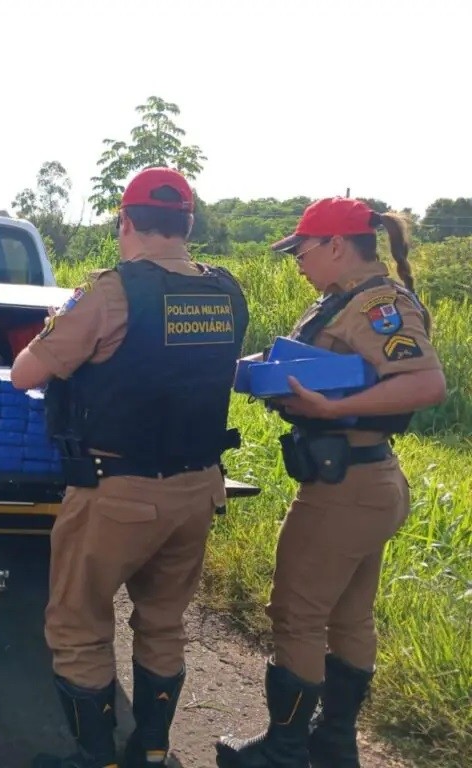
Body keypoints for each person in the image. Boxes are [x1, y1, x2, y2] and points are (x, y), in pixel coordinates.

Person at [10, 167, 250, 768]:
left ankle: (98, 759)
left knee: (78, 623)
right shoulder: (228, 292)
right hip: (200, 489)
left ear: (126, 222)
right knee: (163, 624)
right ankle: (151, 750)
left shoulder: (113, 292)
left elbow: (25, 374)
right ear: (188, 224)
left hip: (119, 492)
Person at [214, 198, 447, 768]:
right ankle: (333, 742)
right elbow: (296, 359)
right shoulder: (342, 301)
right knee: (348, 617)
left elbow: (426, 383)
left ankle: (285, 750)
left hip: (346, 487)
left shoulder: (378, 305)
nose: (296, 260)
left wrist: (325, 411)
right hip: (364, 480)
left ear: (338, 245)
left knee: (296, 614)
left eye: (302, 248)